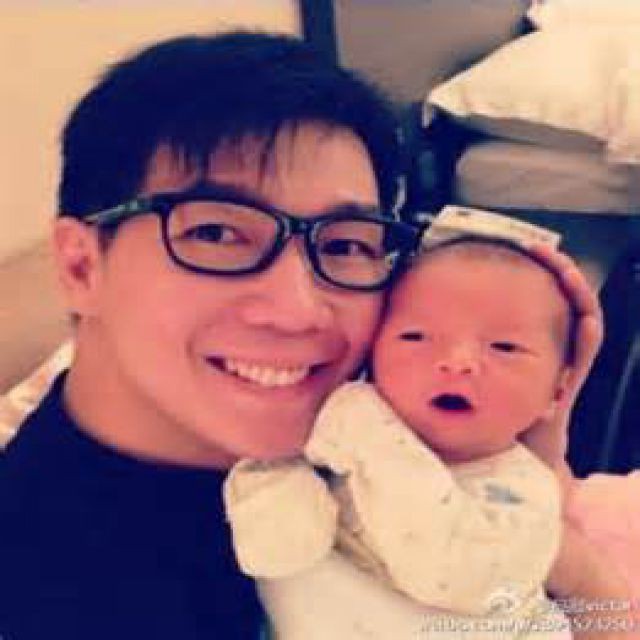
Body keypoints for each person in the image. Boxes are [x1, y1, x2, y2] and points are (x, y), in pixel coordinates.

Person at [0, 28, 629, 640]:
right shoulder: (77, 596)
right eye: (216, 233)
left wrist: (537, 461)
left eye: (346, 244)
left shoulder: (361, 412)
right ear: (81, 267)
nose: (298, 311)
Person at [224, 236, 578, 639]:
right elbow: (275, 554)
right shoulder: (341, 445)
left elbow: (453, 574)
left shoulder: (525, 493)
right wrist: (275, 471)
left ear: (558, 391)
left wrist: (371, 435)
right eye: (415, 337)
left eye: (504, 347)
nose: (456, 362)